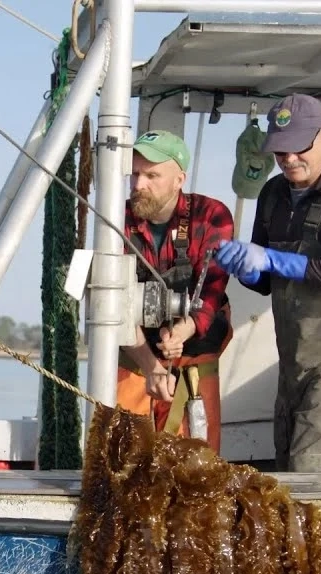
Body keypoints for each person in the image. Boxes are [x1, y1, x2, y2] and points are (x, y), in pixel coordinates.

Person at [215, 94, 321, 473]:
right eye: (280, 152)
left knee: (312, 473)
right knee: (285, 468)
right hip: (293, 356)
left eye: (298, 148)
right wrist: (247, 268)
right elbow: (264, 284)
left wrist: (273, 258)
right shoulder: (274, 194)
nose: (290, 159)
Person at [116, 130, 235, 452]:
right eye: (135, 174)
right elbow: (112, 301)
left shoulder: (211, 215)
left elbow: (211, 290)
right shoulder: (116, 219)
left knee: (197, 461)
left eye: (152, 175)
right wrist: (151, 365)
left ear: (179, 179)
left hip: (194, 355)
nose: (139, 184)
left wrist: (182, 332)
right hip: (135, 353)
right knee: (124, 455)